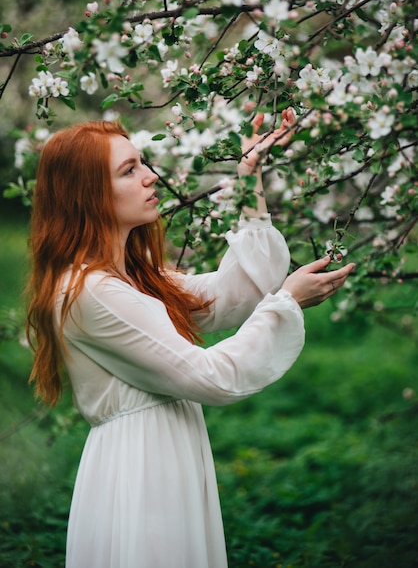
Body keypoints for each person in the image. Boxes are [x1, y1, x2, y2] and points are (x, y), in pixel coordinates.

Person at [26, 108, 354, 568]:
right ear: (89, 195)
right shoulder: (90, 293)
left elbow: (234, 294)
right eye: (129, 170)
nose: (151, 177)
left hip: (166, 457)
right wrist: (288, 305)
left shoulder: (132, 279)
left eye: (142, 163)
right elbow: (210, 377)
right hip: (141, 471)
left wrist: (248, 180)